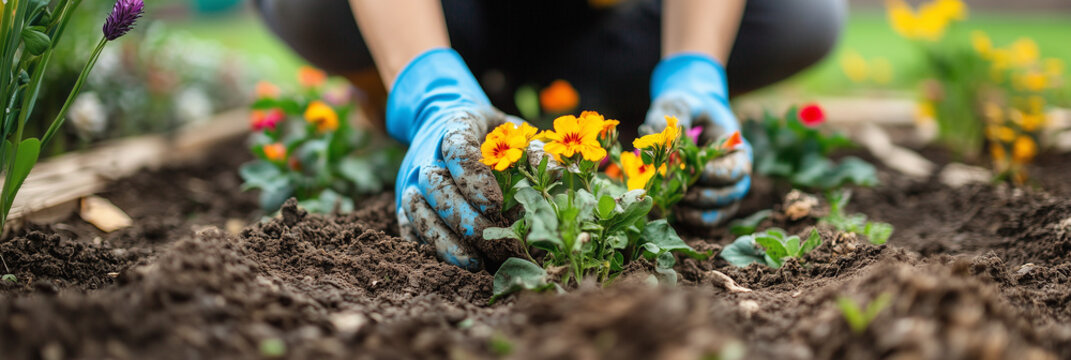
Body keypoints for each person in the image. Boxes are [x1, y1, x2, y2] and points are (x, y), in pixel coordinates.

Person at [255, 0, 845, 271]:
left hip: (580, 18)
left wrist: (694, 70)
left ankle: (567, 88)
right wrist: (427, 89)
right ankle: (406, 75)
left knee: (802, 16)